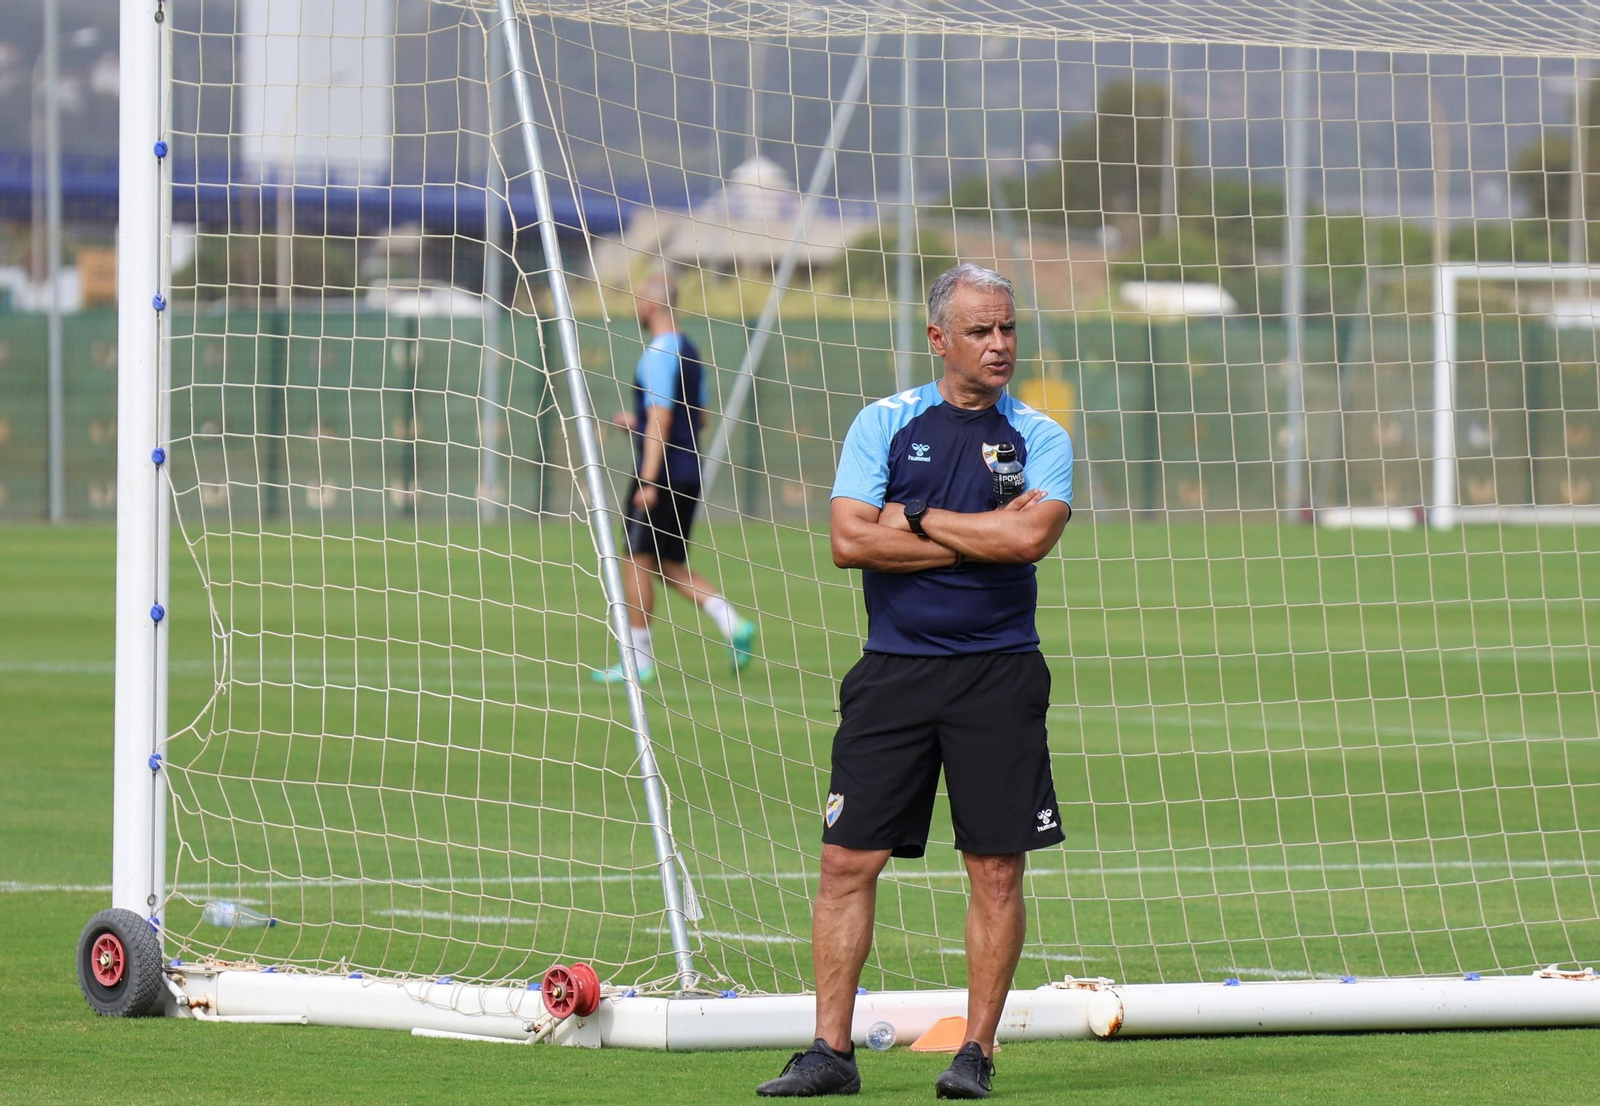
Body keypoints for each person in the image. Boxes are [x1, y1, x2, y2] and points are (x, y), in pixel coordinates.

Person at [757, 264, 1074, 1100]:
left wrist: (919, 518)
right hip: (892, 673)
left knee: (996, 869)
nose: (1000, 344)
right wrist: (978, 532)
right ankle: (830, 1052)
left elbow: (1030, 541)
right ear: (940, 338)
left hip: (998, 674)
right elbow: (850, 542)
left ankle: (975, 1054)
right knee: (844, 861)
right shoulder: (884, 423)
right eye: (980, 331)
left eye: (1007, 328)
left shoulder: (1040, 435)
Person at [593, 274, 758, 684]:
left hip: (661, 474)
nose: (634, 308)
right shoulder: (689, 349)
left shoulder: (659, 352)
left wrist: (648, 480)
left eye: (636, 301)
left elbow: (664, 418)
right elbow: (696, 418)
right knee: (665, 563)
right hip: (687, 470)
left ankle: (639, 662)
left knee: (633, 562)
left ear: (650, 305)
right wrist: (639, 421)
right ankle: (732, 623)